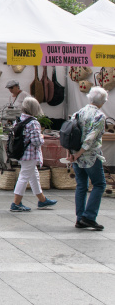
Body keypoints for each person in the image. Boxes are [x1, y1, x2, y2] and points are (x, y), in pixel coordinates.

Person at [67, 86, 108, 230]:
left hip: (76, 156)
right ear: (102, 102)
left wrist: (71, 153)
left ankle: (79, 218)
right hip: (90, 156)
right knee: (99, 184)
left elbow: (69, 134)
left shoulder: (78, 113)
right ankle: (89, 217)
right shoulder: (99, 116)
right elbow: (91, 139)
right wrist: (79, 153)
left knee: (81, 185)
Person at [10, 97, 58, 212]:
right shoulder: (33, 122)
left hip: (20, 153)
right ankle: (16, 203)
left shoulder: (19, 120)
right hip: (30, 154)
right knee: (24, 177)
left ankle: (42, 200)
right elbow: (36, 141)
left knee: (33, 175)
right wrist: (42, 137)